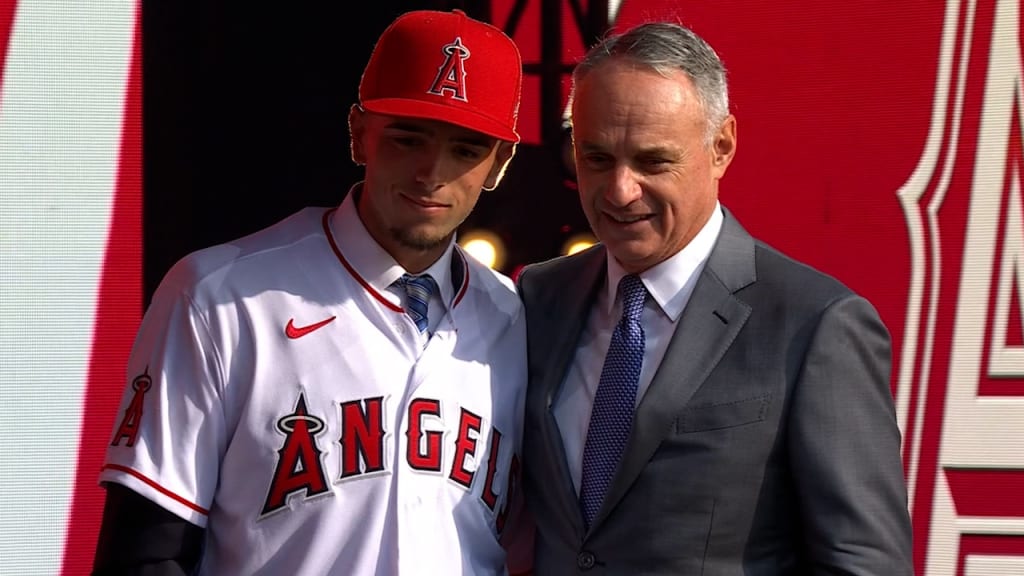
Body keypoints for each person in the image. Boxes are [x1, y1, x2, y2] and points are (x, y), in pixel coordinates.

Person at [92, 9, 532, 576]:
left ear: (499, 164)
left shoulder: (516, 319)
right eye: (408, 138)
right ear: (358, 133)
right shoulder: (221, 296)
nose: (432, 171)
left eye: (466, 149)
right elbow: (148, 553)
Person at [516, 20, 914, 575]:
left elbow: (864, 565)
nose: (619, 190)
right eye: (596, 157)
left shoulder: (815, 325)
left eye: (653, 161)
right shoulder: (539, 298)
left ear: (721, 146)